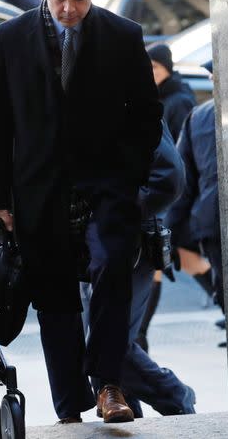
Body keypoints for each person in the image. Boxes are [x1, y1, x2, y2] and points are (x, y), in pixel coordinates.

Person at [0, 0, 162, 424]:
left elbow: (148, 116)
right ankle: (69, 410)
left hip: (107, 187)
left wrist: (128, 176)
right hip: (38, 193)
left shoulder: (123, 36)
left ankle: (107, 385)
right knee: (55, 299)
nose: (68, 9)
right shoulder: (10, 39)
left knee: (111, 271)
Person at [81, 122, 197, 418]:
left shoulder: (131, 104)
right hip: (93, 245)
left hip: (129, 239)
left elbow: (169, 177)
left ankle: (174, 395)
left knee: (107, 343)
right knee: (101, 342)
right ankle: (130, 412)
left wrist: (121, 209)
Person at [135, 43, 197, 351]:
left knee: (162, 263)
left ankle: (141, 332)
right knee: (164, 264)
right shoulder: (158, 98)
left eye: (154, 68)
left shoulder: (177, 100)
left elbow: (176, 162)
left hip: (164, 201)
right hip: (160, 198)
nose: (150, 73)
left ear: (166, 68)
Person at [166, 63, 224, 342]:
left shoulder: (197, 117)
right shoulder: (198, 118)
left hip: (212, 221)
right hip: (213, 222)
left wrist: (172, 231)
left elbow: (183, 183)